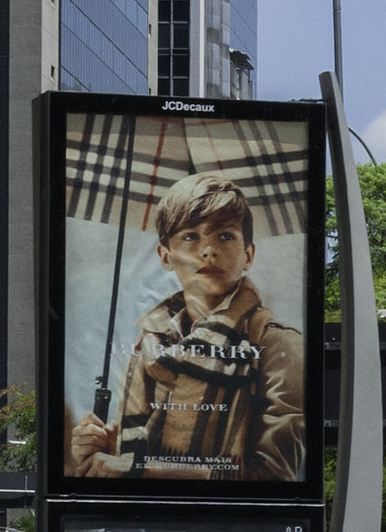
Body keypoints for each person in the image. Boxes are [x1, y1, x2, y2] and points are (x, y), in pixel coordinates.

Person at [67, 171, 306, 483]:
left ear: (248, 254)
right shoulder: (149, 343)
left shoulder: (277, 344)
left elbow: (274, 476)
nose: (208, 251)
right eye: (191, 237)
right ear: (165, 256)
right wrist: (107, 448)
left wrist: (141, 470)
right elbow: (130, 462)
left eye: (225, 236)